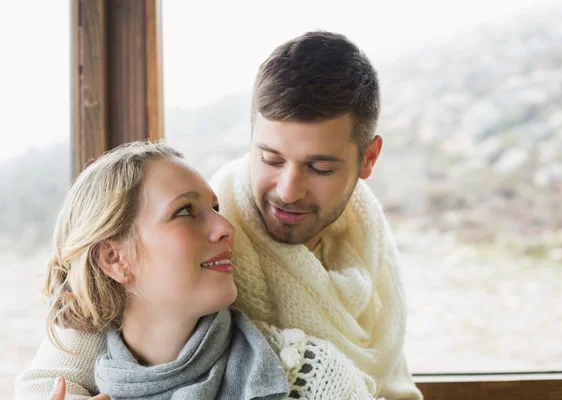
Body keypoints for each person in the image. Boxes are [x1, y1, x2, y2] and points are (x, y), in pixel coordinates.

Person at [16, 31, 422, 400]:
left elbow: (392, 381)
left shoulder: (366, 249)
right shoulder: (190, 245)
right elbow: (57, 368)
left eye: (320, 168)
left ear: (367, 159)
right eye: (270, 158)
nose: (288, 190)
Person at [26, 140, 375, 400]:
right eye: (185, 212)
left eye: (215, 207)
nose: (225, 227)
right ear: (116, 260)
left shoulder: (314, 379)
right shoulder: (73, 381)